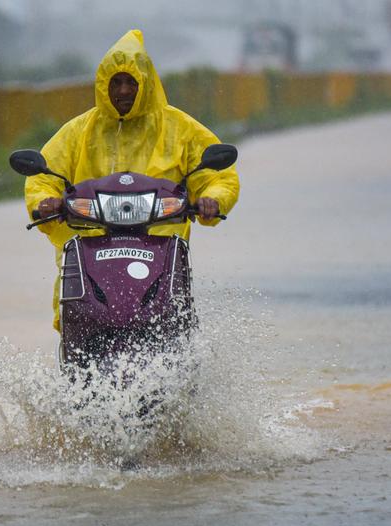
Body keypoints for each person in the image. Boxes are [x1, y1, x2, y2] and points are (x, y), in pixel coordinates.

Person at [24, 29, 240, 329]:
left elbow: (219, 176)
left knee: (171, 319)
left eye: (131, 82)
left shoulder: (180, 128)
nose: (124, 91)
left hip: (159, 250)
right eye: (116, 82)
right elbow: (43, 175)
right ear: (103, 85)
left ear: (146, 83)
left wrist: (212, 199)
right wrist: (44, 201)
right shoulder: (79, 131)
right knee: (77, 315)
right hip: (90, 248)